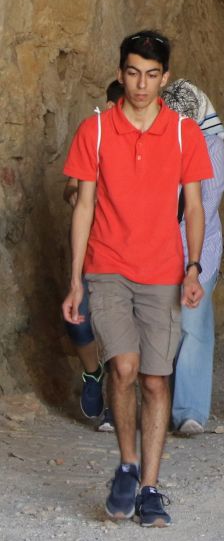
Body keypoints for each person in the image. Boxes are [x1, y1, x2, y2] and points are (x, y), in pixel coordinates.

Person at [61, 30, 212, 527]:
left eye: (151, 75)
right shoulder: (97, 130)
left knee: (154, 379)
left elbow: (193, 206)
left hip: (163, 271)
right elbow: (83, 206)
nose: (141, 84)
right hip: (107, 268)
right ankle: (126, 463)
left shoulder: (185, 133)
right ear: (121, 73)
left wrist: (193, 268)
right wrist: (75, 280)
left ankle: (149, 487)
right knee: (123, 368)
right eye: (132, 73)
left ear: (164, 78)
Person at [161, 77, 224, 437]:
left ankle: (189, 412)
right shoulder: (154, 141)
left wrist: (192, 264)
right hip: (154, 248)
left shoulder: (211, 146)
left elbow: (203, 204)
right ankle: (160, 406)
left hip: (198, 247)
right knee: (161, 326)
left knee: (193, 326)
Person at [61, 81, 124, 432]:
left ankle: (115, 410)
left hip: (129, 255)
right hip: (93, 251)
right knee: (78, 321)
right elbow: (71, 186)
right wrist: (76, 193)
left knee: (120, 332)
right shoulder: (95, 136)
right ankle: (92, 372)